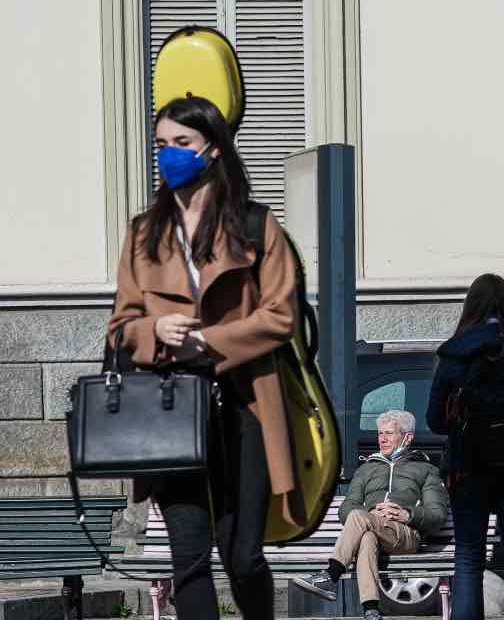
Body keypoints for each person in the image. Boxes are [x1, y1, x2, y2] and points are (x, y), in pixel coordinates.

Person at [107, 96, 299, 620]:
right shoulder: (143, 233)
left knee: (243, 555)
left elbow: (281, 317)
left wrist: (208, 341)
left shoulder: (257, 227)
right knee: (189, 560)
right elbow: (121, 326)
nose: (169, 155)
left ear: (212, 148)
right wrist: (155, 328)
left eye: (182, 144)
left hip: (245, 407)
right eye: (161, 145)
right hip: (169, 409)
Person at [426, 273, 504, 620]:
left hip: (467, 471)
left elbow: (434, 421)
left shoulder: (454, 354)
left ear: (470, 306)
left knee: (468, 559)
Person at [292, 410, 449, 620]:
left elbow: (437, 515)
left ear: (407, 437)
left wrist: (407, 514)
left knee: (359, 518)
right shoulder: (366, 469)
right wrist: (370, 514)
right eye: (379, 433)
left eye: (389, 433)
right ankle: (371, 610)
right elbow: (346, 509)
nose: (381, 439)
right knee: (366, 536)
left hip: (406, 535)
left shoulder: (425, 469)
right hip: (373, 530)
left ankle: (331, 575)